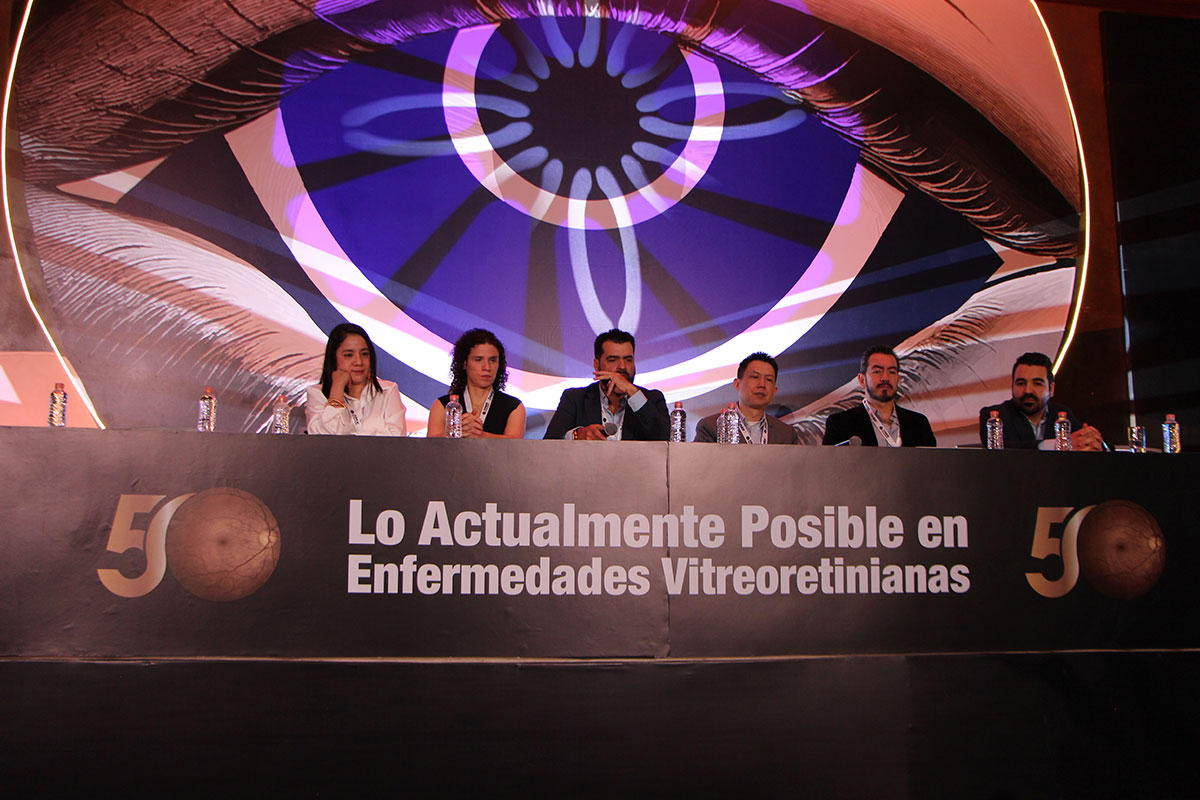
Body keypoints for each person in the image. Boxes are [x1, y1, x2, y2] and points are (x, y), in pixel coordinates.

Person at [544, 329, 670, 441]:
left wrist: (632, 392)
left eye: (628, 360)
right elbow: (549, 443)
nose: (622, 366)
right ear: (596, 365)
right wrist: (577, 435)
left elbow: (664, 439)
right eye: (613, 360)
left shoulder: (652, 399)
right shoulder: (575, 399)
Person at [977, 352, 1103, 450]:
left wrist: (1091, 442)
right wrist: (1059, 444)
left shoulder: (1062, 415)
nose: (1028, 390)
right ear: (1012, 387)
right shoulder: (994, 416)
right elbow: (1003, 450)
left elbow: (1079, 444)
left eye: (1037, 383)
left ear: (1051, 389)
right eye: (1021, 383)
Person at [822, 345, 936, 447]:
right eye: (877, 371)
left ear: (898, 379)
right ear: (862, 380)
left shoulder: (919, 424)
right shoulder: (840, 424)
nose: (885, 378)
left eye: (891, 372)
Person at [305, 323, 407, 436]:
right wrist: (337, 390)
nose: (359, 362)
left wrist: (349, 435)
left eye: (364, 354)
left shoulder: (388, 391)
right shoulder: (317, 393)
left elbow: (396, 440)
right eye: (349, 355)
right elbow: (324, 439)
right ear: (334, 358)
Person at [427, 329, 526, 438]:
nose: (487, 367)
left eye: (492, 360)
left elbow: (515, 444)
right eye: (478, 359)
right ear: (464, 363)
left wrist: (479, 435)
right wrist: (457, 433)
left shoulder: (513, 407)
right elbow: (430, 443)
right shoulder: (443, 405)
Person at [694, 352, 800, 444]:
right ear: (737, 384)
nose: (762, 384)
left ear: (774, 390)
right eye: (755, 377)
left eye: (768, 379)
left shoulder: (786, 434)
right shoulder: (712, 426)